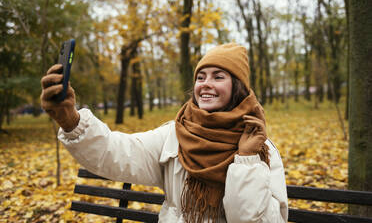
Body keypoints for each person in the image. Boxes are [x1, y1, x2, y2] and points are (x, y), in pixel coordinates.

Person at [40, 43, 288, 223]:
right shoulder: (175, 135)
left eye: (218, 76)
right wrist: (71, 120)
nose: (205, 84)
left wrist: (246, 160)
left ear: (237, 88)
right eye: (200, 77)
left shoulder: (261, 149)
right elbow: (116, 152)